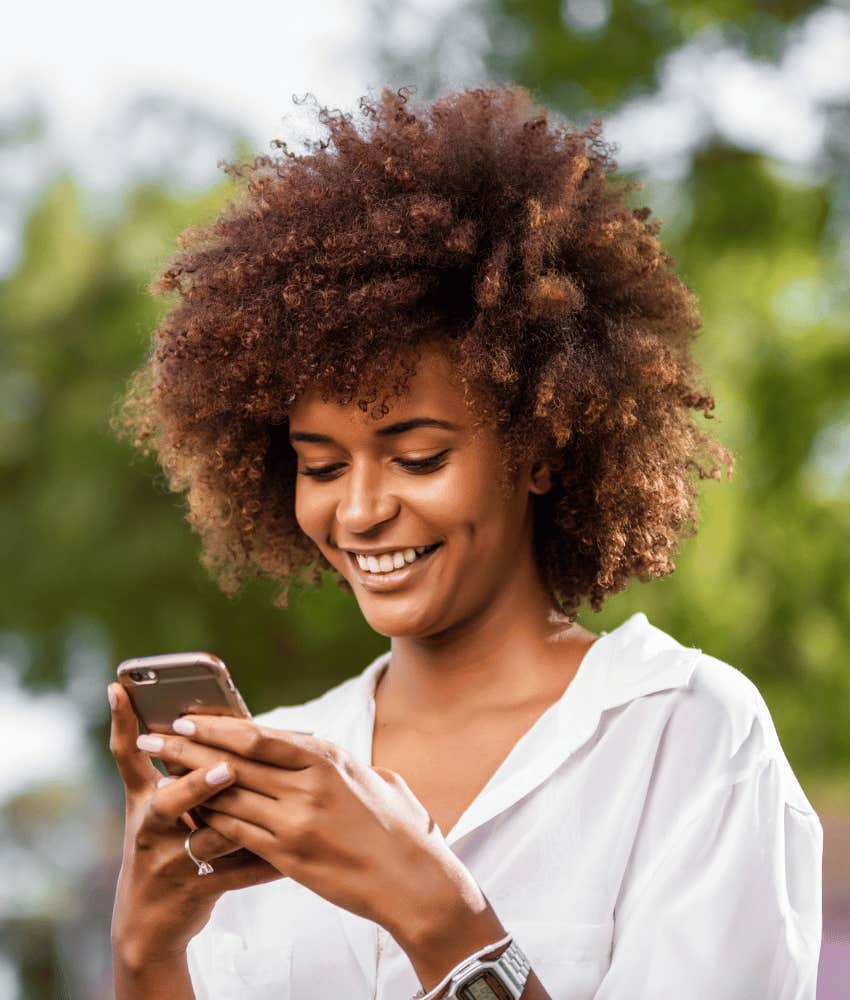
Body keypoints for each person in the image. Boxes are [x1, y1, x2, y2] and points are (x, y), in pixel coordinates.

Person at [107, 85, 823, 999]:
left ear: (538, 447)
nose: (360, 511)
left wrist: (441, 917)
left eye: (416, 455)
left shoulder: (686, 736)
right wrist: (145, 950)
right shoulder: (279, 768)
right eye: (321, 467)